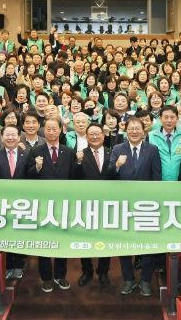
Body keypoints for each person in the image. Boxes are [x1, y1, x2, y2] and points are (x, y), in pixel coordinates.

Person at [107, 117, 162, 297]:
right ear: (126, 130)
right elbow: (109, 175)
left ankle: (145, 280)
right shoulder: (117, 149)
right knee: (124, 243)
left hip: (147, 205)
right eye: (131, 128)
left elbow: (157, 177)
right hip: (123, 204)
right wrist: (117, 165)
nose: (134, 131)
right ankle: (128, 279)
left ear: (144, 131)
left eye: (138, 128)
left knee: (148, 243)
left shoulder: (152, 149)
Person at [25, 118, 75, 293]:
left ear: (60, 130)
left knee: (62, 240)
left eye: (54, 129)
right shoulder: (35, 151)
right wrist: (37, 167)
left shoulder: (68, 152)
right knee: (44, 240)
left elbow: (74, 177)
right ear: (43, 131)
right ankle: (46, 277)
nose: (51, 132)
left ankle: (60, 275)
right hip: (43, 203)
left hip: (64, 203)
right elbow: (28, 176)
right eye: (48, 129)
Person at [0, 125, 29, 280]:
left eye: (13, 135)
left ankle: (18, 265)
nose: (10, 138)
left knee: (19, 233)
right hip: (2, 201)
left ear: (19, 137)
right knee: (5, 234)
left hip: (22, 202)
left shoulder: (27, 154)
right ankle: (8, 265)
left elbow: (31, 176)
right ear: (2, 137)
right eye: (7, 135)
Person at [74, 123, 111, 287]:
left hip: (108, 203)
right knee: (85, 238)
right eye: (91, 134)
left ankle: (103, 271)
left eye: (98, 133)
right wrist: (78, 162)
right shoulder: (80, 154)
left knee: (106, 237)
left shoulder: (112, 153)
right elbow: (74, 178)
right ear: (87, 137)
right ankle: (87, 271)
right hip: (86, 203)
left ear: (103, 135)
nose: (95, 137)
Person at [148, 105, 181, 181]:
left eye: (172, 117)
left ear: (177, 118)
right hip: (159, 181)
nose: (169, 120)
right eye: (166, 117)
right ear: (160, 119)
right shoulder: (151, 135)